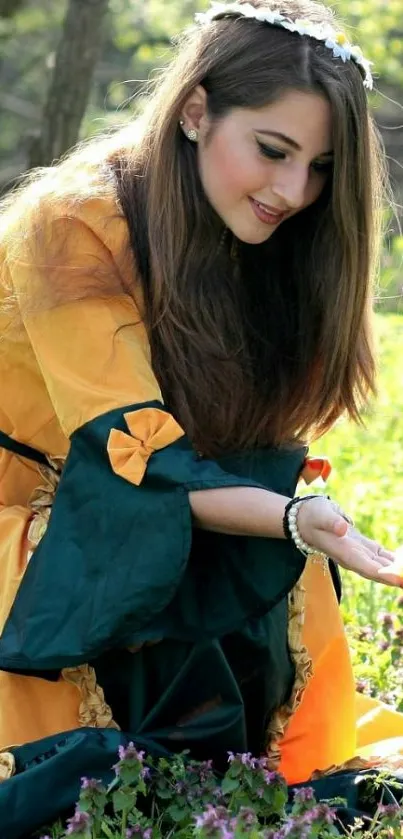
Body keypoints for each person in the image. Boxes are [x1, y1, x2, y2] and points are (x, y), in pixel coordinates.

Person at [0, 0, 403, 834]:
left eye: (321, 167)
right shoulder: (74, 224)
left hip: (136, 499)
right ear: (194, 111)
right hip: (35, 510)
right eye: (272, 151)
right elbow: (133, 459)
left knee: (264, 538)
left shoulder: (249, 237)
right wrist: (291, 516)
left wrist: (292, 516)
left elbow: (239, 450)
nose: (294, 192)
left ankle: (245, 759)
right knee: (227, 529)